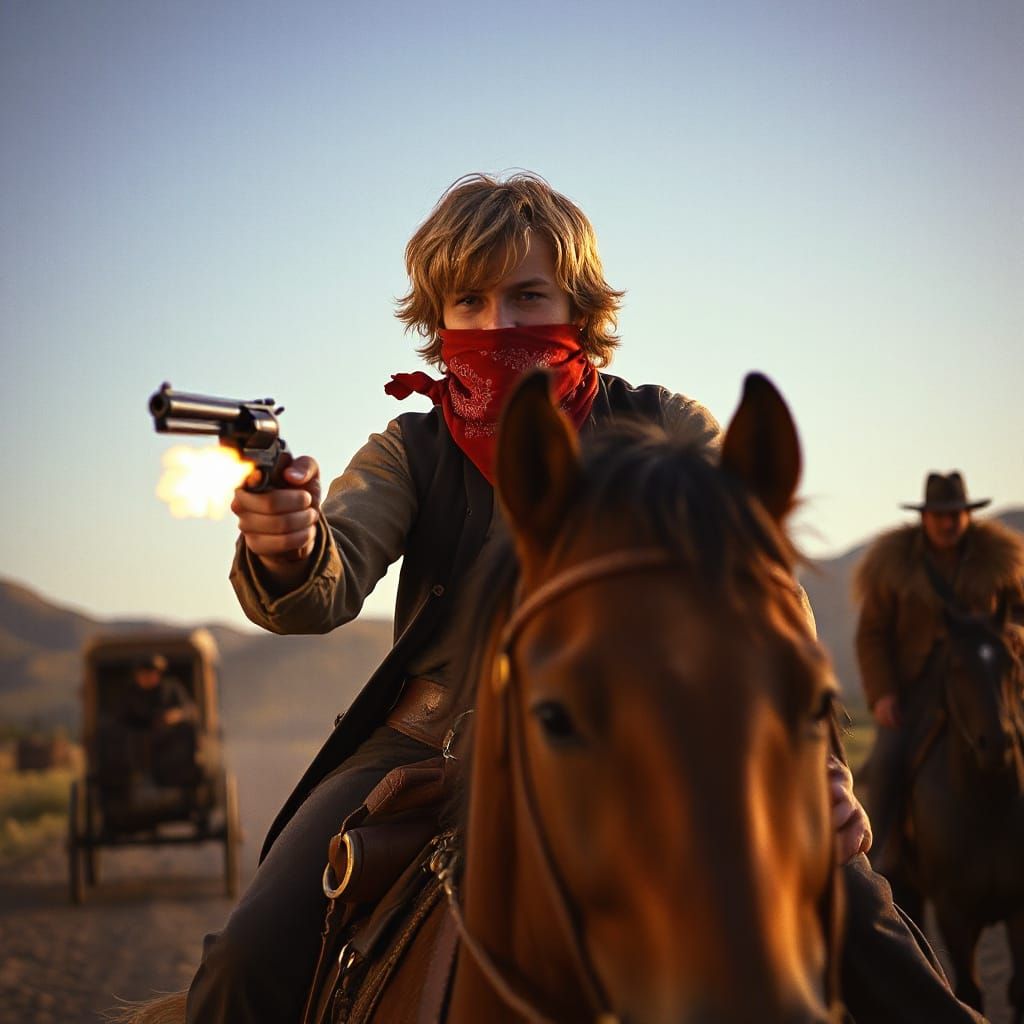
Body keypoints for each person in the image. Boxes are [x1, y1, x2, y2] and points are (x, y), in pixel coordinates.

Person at [184, 173, 981, 1023]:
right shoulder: (408, 448)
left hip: (656, 733)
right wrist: (291, 547)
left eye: (528, 296)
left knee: (867, 929)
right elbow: (324, 585)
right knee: (244, 964)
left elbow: (764, 595)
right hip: (422, 749)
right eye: (470, 299)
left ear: (579, 305)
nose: (499, 325)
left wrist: (814, 763)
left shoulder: (667, 424)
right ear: (437, 318)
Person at [855, 471, 1024, 881]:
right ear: (925, 517)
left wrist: (1013, 639)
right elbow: (872, 634)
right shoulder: (894, 569)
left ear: (967, 515)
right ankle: (882, 858)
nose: (948, 523)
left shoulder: (999, 563)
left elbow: (1019, 616)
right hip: (916, 691)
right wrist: (883, 695)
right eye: (940, 515)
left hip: (983, 683)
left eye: (955, 514)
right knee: (889, 761)